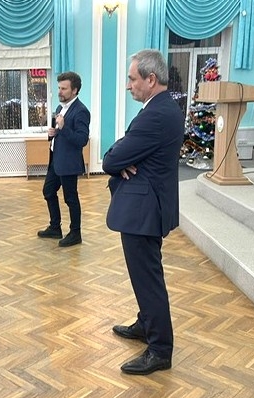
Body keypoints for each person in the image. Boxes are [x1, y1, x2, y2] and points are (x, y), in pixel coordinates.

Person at [102, 49, 183, 375]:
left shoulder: (155, 115)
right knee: (145, 277)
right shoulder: (163, 108)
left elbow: (110, 159)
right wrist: (121, 156)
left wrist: (119, 158)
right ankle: (145, 324)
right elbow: (121, 150)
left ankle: (160, 349)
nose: (128, 85)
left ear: (151, 79)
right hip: (148, 206)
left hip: (143, 210)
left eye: (132, 79)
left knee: (148, 280)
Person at [37, 72, 90, 247]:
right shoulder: (60, 108)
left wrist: (63, 127)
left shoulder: (81, 111)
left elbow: (81, 140)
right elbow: (61, 132)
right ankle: (55, 227)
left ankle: (76, 233)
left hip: (69, 163)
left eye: (64, 88)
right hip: (56, 160)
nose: (59, 91)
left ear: (74, 90)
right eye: (59, 88)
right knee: (48, 191)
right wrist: (53, 133)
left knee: (70, 198)